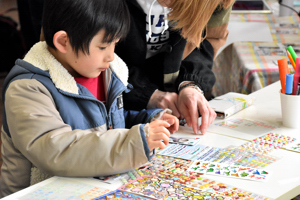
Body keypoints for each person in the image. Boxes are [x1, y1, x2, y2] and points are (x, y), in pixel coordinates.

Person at [0, 0, 179, 197]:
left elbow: (107, 125)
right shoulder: (27, 88)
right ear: (63, 42)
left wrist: (150, 121)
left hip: (88, 188)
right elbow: (57, 150)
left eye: (115, 44)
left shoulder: (104, 73)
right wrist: (135, 142)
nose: (111, 56)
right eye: (103, 46)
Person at [115, 0, 235, 135]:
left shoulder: (219, 2)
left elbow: (207, 40)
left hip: (173, 103)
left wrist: (190, 84)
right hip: (116, 100)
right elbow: (98, 56)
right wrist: (146, 93)